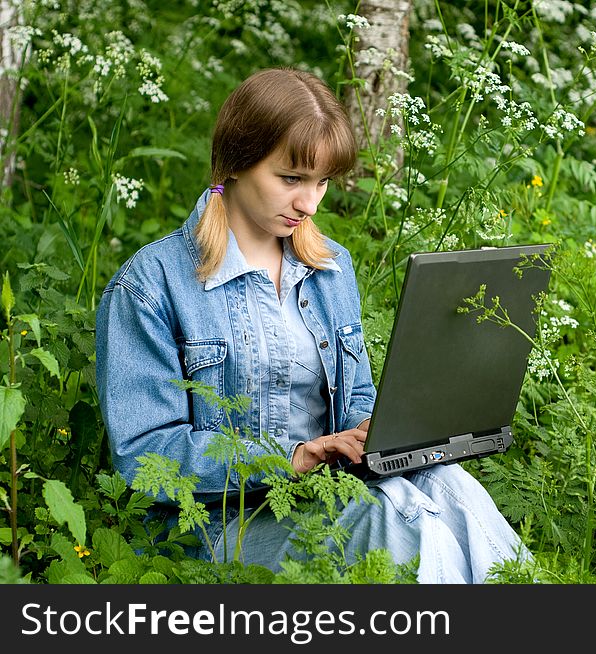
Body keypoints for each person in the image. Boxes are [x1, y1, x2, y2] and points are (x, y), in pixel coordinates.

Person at [95, 67, 530, 583]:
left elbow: (356, 402)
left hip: (331, 492)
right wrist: (296, 457)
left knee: (452, 490)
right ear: (235, 162)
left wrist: (385, 433)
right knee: (401, 530)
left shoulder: (330, 268)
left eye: (322, 181)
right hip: (219, 524)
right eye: (291, 179)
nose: (310, 203)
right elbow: (145, 457)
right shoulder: (152, 284)